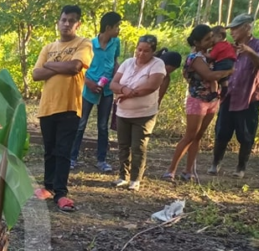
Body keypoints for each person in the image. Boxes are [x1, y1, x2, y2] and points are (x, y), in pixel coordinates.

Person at [31, 5, 92, 213]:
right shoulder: (48, 47)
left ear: (78, 24)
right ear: (58, 22)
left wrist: (49, 65)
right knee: (49, 150)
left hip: (69, 107)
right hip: (47, 107)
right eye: (64, 19)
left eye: (71, 20)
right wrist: (59, 66)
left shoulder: (84, 44)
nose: (66, 24)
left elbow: (75, 67)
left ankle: (61, 193)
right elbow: (36, 74)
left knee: (63, 151)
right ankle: (48, 187)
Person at [164, 25, 232, 182]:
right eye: (207, 39)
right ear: (197, 41)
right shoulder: (194, 58)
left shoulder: (209, 55)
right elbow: (209, 75)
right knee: (190, 135)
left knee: (198, 136)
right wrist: (229, 72)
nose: (211, 41)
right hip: (198, 99)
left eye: (211, 38)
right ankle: (171, 169)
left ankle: (188, 171)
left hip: (212, 99)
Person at [109, 35, 167, 191]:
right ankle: (123, 176)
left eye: (146, 51)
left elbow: (151, 86)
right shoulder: (128, 63)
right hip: (122, 112)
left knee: (138, 146)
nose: (141, 54)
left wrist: (125, 94)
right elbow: (113, 84)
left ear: (153, 52)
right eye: (139, 50)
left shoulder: (157, 64)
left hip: (144, 114)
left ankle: (135, 178)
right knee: (123, 145)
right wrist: (123, 89)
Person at [69, 11, 121, 173]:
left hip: (106, 90)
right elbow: (80, 68)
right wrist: (89, 83)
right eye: (117, 26)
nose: (119, 30)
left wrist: (117, 80)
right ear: (108, 27)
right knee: (80, 123)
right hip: (89, 88)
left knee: (103, 126)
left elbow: (114, 62)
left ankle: (101, 160)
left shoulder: (116, 42)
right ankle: (72, 157)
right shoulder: (89, 44)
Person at [210, 13, 259, 178]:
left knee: (246, 134)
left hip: (248, 97)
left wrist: (250, 52)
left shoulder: (256, 45)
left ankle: (240, 168)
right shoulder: (229, 47)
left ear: (247, 27)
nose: (232, 32)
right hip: (228, 95)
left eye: (235, 28)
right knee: (222, 131)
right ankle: (215, 163)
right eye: (231, 29)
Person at [209, 26, 238, 96]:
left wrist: (205, 54)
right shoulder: (228, 44)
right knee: (224, 77)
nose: (211, 39)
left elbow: (212, 56)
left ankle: (214, 92)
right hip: (230, 63)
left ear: (219, 36)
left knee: (213, 76)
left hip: (222, 62)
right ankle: (225, 87)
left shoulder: (218, 45)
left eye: (212, 37)